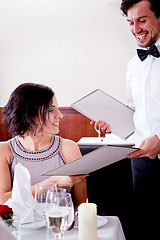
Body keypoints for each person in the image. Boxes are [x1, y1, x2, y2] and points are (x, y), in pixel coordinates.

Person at [92, 0, 160, 239]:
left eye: (142, 20)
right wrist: (114, 123)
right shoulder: (133, 65)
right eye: (131, 22)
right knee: (143, 224)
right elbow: (135, 111)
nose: (136, 29)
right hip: (141, 161)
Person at [0, 83, 88, 211]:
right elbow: (4, 201)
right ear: (29, 114)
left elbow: (81, 204)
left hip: (60, 227)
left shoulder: (69, 148)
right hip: (20, 229)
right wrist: (54, 182)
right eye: (51, 109)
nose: (60, 115)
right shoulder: (4, 151)